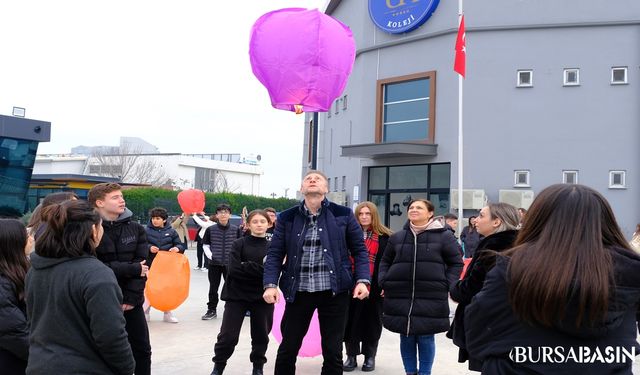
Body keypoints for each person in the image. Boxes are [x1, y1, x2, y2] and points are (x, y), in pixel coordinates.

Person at [465, 184, 640, 374]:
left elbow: (477, 334)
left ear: (538, 219)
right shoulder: (629, 272)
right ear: (606, 222)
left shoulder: (512, 268)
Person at [263, 170, 371, 375]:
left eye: (318, 178)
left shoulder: (343, 214)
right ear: (302, 189)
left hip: (334, 292)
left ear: (326, 189)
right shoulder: (286, 217)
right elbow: (275, 253)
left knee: (333, 350)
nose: (312, 180)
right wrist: (270, 284)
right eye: (308, 179)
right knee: (288, 347)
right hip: (298, 291)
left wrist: (362, 281)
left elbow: (359, 250)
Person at [26, 200, 135, 374]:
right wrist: (127, 368)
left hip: (40, 364)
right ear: (93, 230)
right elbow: (111, 336)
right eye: (101, 226)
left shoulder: (35, 269)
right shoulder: (97, 274)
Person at [378, 198, 463, 375]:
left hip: (431, 294)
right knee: (406, 336)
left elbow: (456, 263)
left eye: (419, 207)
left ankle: (425, 373)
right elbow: (385, 261)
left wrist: (447, 283)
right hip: (400, 294)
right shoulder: (397, 237)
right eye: (411, 207)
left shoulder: (444, 236)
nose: (414, 210)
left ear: (430, 213)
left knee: (426, 336)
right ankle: (410, 372)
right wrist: (384, 280)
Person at [447, 203, 520, 371]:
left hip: (489, 325)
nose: (475, 220)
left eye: (481, 216)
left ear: (496, 222)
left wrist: (454, 289)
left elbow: (471, 288)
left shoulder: (492, 247)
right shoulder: (520, 243)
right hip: (510, 324)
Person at [88, 182, 152, 375]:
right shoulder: (88, 229)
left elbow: (143, 268)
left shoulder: (137, 229)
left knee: (142, 349)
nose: (122, 200)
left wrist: (131, 299)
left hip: (132, 302)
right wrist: (132, 269)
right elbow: (93, 267)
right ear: (99, 202)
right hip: (101, 301)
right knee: (104, 351)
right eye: (115, 197)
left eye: (121, 196)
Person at [210, 210, 275, 375]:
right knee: (227, 336)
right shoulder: (238, 243)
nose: (259, 224)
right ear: (248, 224)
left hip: (262, 296)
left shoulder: (273, 247)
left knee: (261, 336)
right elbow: (234, 270)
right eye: (255, 221)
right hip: (236, 295)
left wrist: (248, 265)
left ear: (269, 224)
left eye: (262, 221)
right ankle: (218, 366)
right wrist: (260, 270)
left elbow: (274, 271)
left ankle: (258, 367)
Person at [343, 202, 392, 372]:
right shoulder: (347, 235)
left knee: (372, 323)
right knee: (350, 322)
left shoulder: (386, 237)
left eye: (367, 214)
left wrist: (387, 284)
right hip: (350, 286)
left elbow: (390, 264)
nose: (364, 217)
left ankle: (370, 356)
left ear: (374, 216)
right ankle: (351, 356)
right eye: (360, 214)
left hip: (376, 288)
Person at [0, 219, 31, 375]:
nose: (32, 238)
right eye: (26, 235)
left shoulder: (19, 272)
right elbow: (14, 333)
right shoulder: (3, 283)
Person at [144, 207, 185, 323]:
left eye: (157, 218)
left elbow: (181, 245)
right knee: (149, 289)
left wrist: (177, 248)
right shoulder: (146, 231)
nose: (154, 221)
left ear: (164, 220)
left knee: (167, 289)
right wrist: (149, 248)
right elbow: (140, 245)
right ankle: (146, 312)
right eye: (153, 218)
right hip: (151, 265)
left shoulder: (172, 232)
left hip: (167, 267)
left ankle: (167, 313)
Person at [202, 204, 241, 320]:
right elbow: (205, 245)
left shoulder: (236, 230)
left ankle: (231, 310)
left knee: (231, 287)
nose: (223, 214)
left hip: (230, 264)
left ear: (229, 214)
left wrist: (237, 260)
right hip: (214, 264)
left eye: (225, 212)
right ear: (216, 215)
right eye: (220, 212)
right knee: (213, 288)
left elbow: (240, 246)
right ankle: (211, 310)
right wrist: (211, 256)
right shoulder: (210, 229)